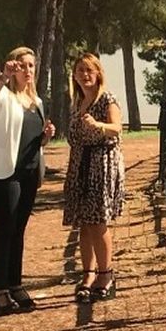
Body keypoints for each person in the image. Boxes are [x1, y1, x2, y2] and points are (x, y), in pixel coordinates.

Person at [0, 46, 55, 314]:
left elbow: (33, 141)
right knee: (4, 229)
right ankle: (1, 291)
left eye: (31, 65)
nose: (27, 70)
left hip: (28, 174)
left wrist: (45, 137)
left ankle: (15, 285)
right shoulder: (4, 96)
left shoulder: (37, 102)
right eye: (22, 65)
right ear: (13, 68)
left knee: (18, 230)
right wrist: (3, 76)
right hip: (4, 174)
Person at [63, 51, 125, 302]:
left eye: (89, 70)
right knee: (84, 222)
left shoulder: (107, 99)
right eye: (80, 70)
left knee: (98, 222)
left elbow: (116, 128)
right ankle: (87, 274)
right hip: (80, 166)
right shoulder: (77, 102)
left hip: (101, 166)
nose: (85, 75)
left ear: (98, 73)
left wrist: (98, 125)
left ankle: (105, 274)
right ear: (74, 76)